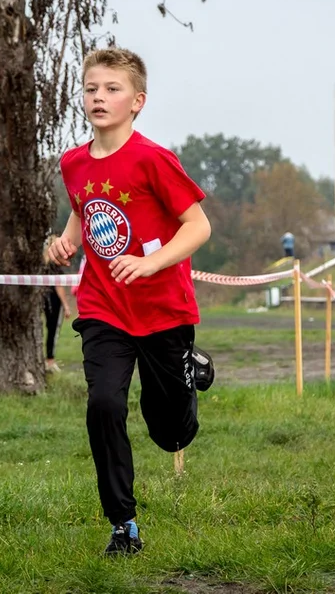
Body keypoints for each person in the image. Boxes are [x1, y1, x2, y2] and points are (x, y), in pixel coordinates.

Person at [47, 47, 213, 556]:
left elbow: (198, 226)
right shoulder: (72, 162)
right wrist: (67, 240)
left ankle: (189, 369)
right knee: (104, 404)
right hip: (103, 307)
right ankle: (124, 524)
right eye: (91, 88)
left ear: (137, 101)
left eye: (112, 89)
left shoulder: (154, 159)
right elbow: (85, 208)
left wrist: (150, 263)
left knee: (171, 434)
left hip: (163, 309)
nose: (99, 97)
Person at [42, 235, 73, 373]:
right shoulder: (55, 264)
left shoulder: (44, 263)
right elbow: (59, 286)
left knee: (48, 328)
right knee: (53, 330)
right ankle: (50, 360)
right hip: (54, 300)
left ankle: (46, 358)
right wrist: (66, 305)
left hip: (43, 298)